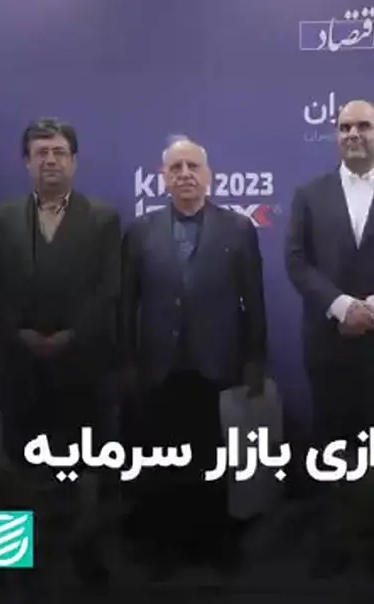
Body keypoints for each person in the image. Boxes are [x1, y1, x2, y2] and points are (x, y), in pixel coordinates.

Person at [284, 99, 374, 578]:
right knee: (333, 445)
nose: (353, 134)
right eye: (344, 126)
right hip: (329, 341)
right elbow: (297, 261)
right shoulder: (310, 193)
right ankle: (336, 540)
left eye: (363, 126)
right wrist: (342, 306)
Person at [118, 136, 267, 580]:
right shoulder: (140, 232)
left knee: (212, 458)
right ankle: (164, 546)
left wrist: (255, 359)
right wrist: (127, 360)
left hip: (215, 362)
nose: (184, 174)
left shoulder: (238, 228)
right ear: (163, 177)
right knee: (161, 458)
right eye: (175, 168)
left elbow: (254, 300)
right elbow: (126, 303)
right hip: (159, 365)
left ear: (208, 175)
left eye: (193, 167)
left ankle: (213, 544)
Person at [0, 117, 120, 584]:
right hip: (19, 367)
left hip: (81, 367)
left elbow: (109, 288)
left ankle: (85, 557)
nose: (51, 161)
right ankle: (19, 566)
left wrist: (71, 335)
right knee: (22, 470)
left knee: (85, 471)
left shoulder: (103, 219)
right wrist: (18, 333)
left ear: (74, 161)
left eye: (59, 152)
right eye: (41, 153)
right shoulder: (0, 220)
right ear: (26, 162)